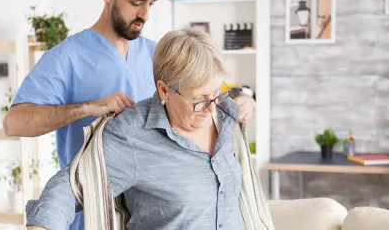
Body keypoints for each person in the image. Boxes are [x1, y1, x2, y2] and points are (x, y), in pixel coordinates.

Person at [4, 0, 256, 229]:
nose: (145, 14)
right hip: (89, 213)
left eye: (152, 3)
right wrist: (87, 108)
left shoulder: (156, 55)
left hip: (156, 212)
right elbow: (14, 124)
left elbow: (196, 96)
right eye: (137, 2)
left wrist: (238, 102)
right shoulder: (66, 57)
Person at [24, 27, 274, 230]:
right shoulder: (131, 136)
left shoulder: (223, 113)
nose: (210, 110)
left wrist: (245, 101)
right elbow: (69, 188)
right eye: (198, 99)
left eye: (216, 93)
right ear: (164, 90)